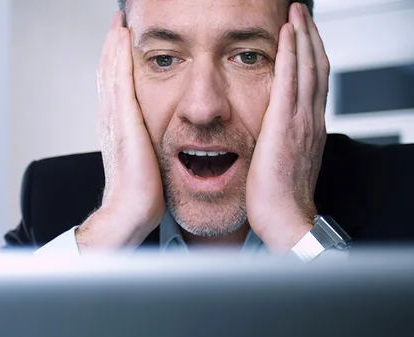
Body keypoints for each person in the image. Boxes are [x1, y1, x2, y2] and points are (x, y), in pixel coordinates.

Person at [27, 0, 414, 259]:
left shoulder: (402, 189)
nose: (203, 108)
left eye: (247, 57)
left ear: (307, 64)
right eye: (164, 59)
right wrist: (113, 227)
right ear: (119, 74)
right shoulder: (51, 198)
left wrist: (294, 228)